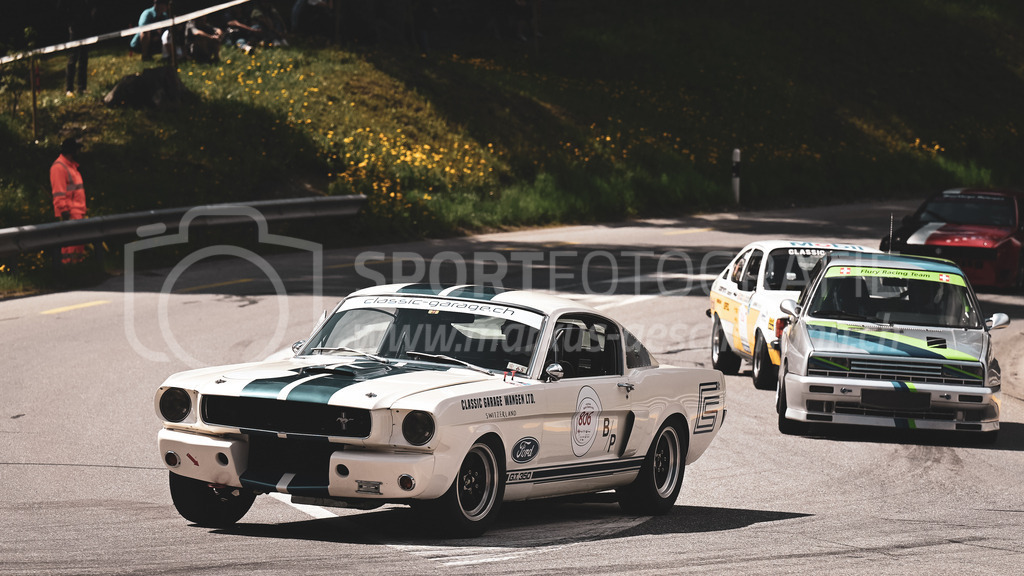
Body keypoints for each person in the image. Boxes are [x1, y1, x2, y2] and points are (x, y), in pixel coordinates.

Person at [50, 138, 88, 264]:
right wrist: (64, 211)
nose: (79, 152)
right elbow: (58, 193)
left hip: (78, 212)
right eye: (77, 149)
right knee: (70, 247)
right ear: (72, 151)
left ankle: (76, 268)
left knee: (77, 246)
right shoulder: (59, 168)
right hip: (70, 213)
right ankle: (69, 269)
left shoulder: (72, 167)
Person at [57, 0, 97, 97]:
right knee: (73, 58)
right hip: (75, 27)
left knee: (84, 58)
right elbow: (61, 7)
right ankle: (69, 89)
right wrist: (70, 21)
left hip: (86, 25)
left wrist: (91, 15)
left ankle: (82, 88)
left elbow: (92, 5)